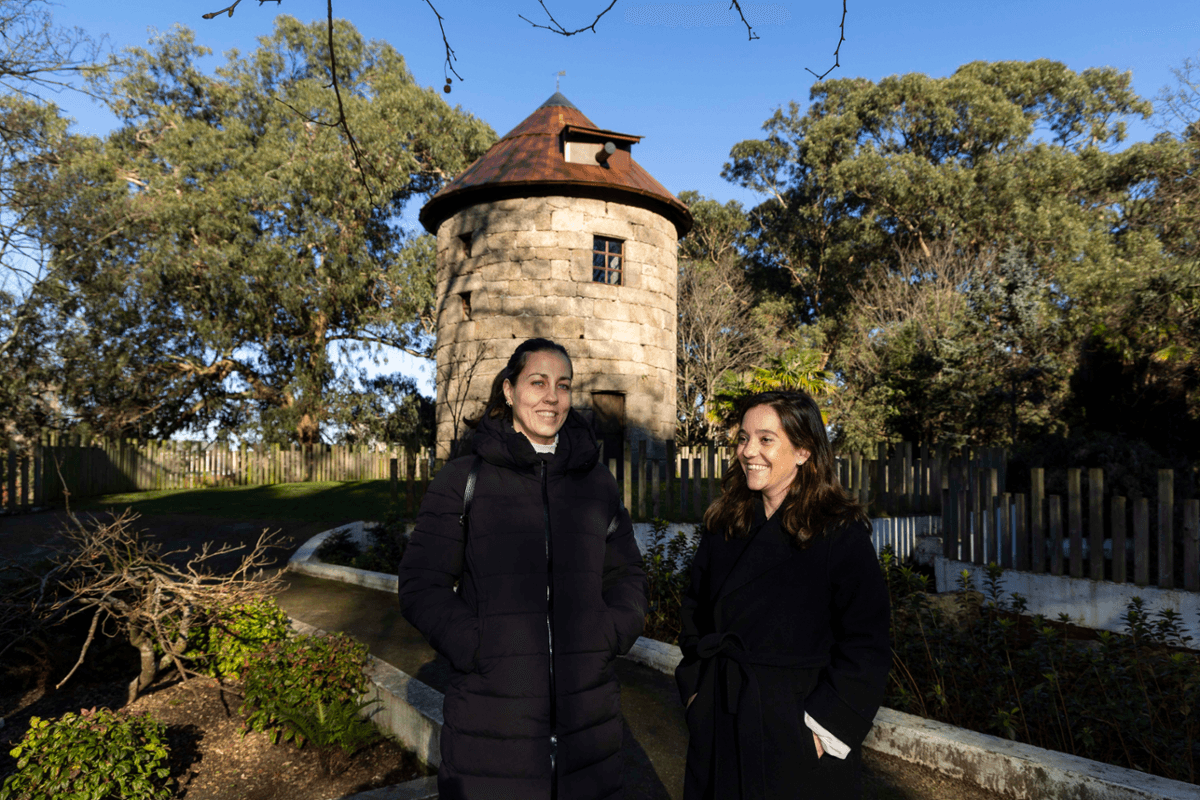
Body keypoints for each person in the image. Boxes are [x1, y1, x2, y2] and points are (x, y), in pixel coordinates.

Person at [398, 337, 648, 800]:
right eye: (538, 382)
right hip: (490, 731)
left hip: (587, 728)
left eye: (563, 385)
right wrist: (481, 648)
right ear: (509, 391)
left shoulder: (596, 482)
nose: (551, 397)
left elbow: (627, 575)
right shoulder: (464, 479)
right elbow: (421, 585)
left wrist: (606, 635)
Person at [675, 390, 891, 800]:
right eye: (743, 437)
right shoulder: (724, 524)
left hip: (794, 727)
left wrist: (819, 732)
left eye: (765, 439)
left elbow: (867, 644)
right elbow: (694, 613)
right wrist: (695, 695)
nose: (748, 451)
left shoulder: (839, 533)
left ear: (804, 451)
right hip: (721, 714)